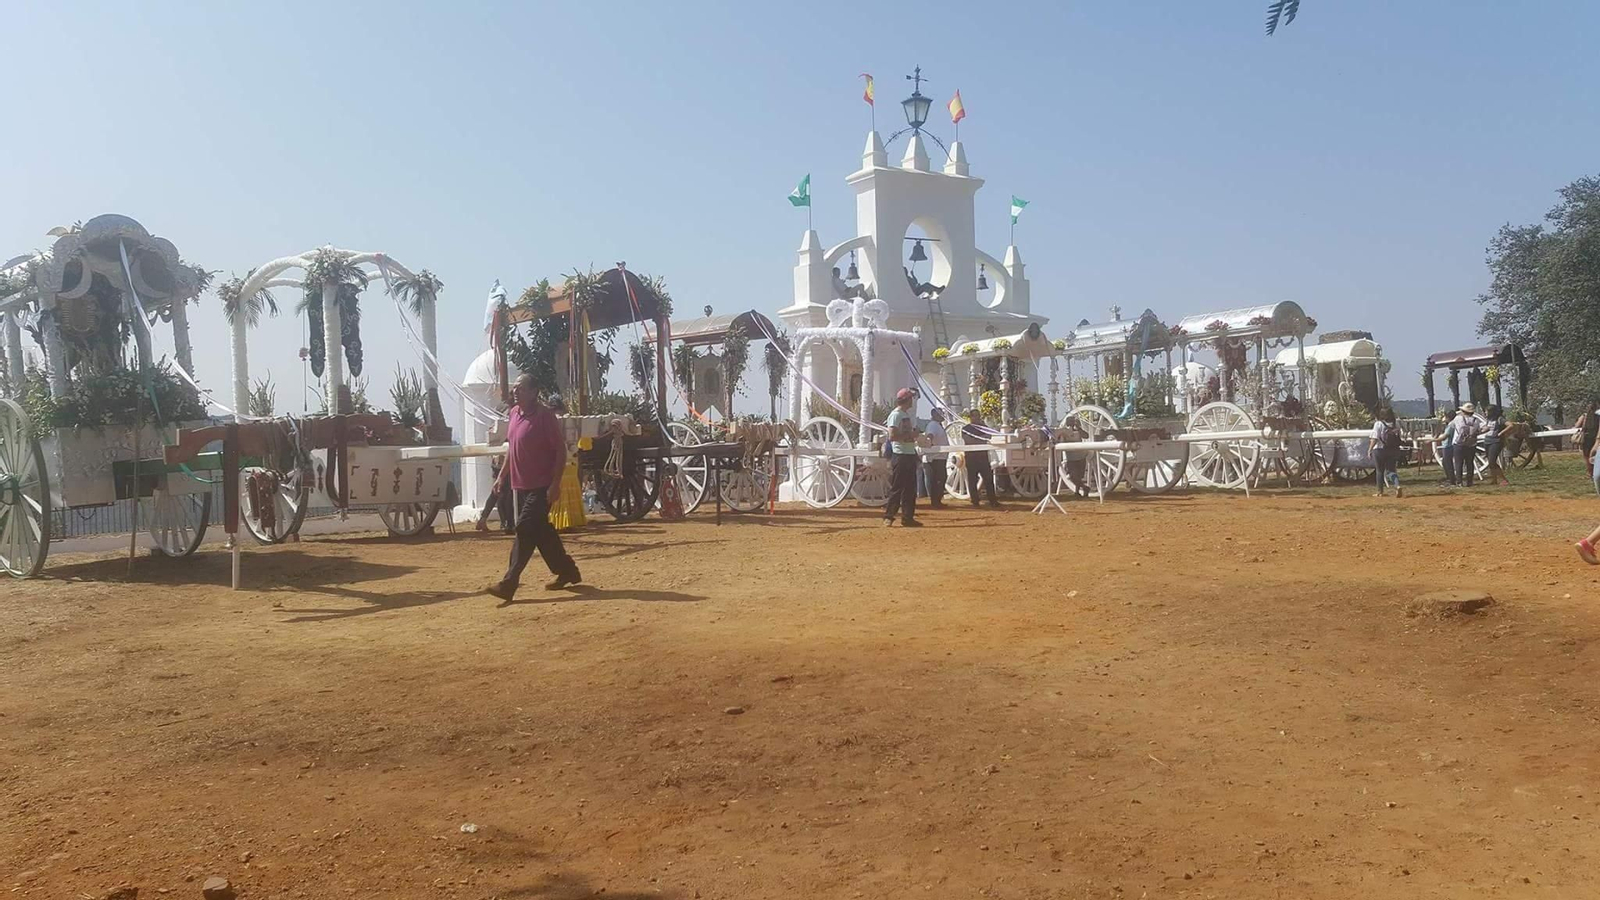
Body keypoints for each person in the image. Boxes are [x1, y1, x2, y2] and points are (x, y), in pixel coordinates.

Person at [485, 375, 582, 601]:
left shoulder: (545, 417)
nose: (515, 392)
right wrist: (502, 476)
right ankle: (568, 571)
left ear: (533, 392)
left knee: (525, 527)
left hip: (543, 485)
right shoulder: (514, 414)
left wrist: (555, 483)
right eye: (515, 389)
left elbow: (560, 451)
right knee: (541, 532)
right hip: (522, 485)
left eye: (520, 388)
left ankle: (509, 583)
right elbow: (512, 448)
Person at [882, 388, 923, 527]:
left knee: (910, 489)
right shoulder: (896, 415)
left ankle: (907, 517)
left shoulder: (904, 415)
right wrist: (911, 435)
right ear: (906, 400)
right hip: (900, 455)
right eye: (911, 398)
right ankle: (889, 516)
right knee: (898, 487)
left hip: (908, 453)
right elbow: (892, 436)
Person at [962, 408, 1000, 508]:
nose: (977, 417)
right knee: (972, 480)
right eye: (974, 415)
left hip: (983, 457)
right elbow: (969, 441)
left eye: (978, 415)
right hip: (972, 458)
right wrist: (982, 439)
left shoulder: (983, 427)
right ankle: (975, 501)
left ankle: (993, 500)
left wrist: (981, 437)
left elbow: (989, 435)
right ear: (970, 417)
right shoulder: (966, 429)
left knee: (988, 479)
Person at [1371, 407, 1403, 497]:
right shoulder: (1396, 424)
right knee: (1391, 470)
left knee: (1379, 471)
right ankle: (1397, 485)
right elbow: (1400, 436)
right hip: (1393, 449)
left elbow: (1375, 438)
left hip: (1380, 449)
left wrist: (1370, 449)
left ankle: (1380, 491)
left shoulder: (1378, 424)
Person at [921, 408, 950, 509]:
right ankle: (935, 501)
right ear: (935, 415)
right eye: (941, 414)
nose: (942, 416)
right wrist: (929, 444)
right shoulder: (933, 425)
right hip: (934, 458)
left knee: (940, 479)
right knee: (937, 479)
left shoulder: (937, 425)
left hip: (939, 457)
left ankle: (937, 500)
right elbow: (930, 436)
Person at [1450, 403, 1480, 487]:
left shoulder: (1458, 418)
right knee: (1469, 463)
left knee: (1458, 463)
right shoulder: (1476, 420)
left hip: (1459, 443)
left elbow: (1451, 426)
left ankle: (1459, 482)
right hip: (1471, 444)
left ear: (1463, 411)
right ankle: (1469, 482)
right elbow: (1478, 430)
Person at [1482, 404, 1510, 486]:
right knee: (1490, 462)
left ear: (1491, 412)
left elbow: (1510, 425)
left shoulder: (1500, 419)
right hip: (1487, 441)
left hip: (1496, 441)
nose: (1485, 413)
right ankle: (1494, 480)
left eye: (1486, 411)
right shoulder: (1488, 420)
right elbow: (1486, 429)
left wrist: (1501, 433)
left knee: (1492, 461)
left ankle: (1504, 479)